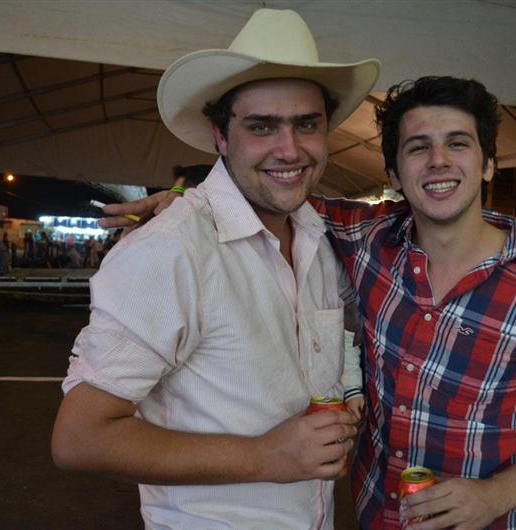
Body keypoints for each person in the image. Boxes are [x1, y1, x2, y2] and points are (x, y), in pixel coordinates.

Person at [109, 76, 516, 529]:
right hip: (378, 515)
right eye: (418, 147)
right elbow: (266, 189)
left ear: (488, 165)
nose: (439, 160)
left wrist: (495, 496)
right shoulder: (368, 238)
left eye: (458, 143)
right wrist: (182, 199)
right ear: (393, 173)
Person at [51, 9, 379, 529]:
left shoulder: (318, 236)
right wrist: (266, 456)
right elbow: (80, 438)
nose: (289, 149)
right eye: (261, 126)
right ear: (220, 137)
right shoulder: (170, 250)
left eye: (306, 124)